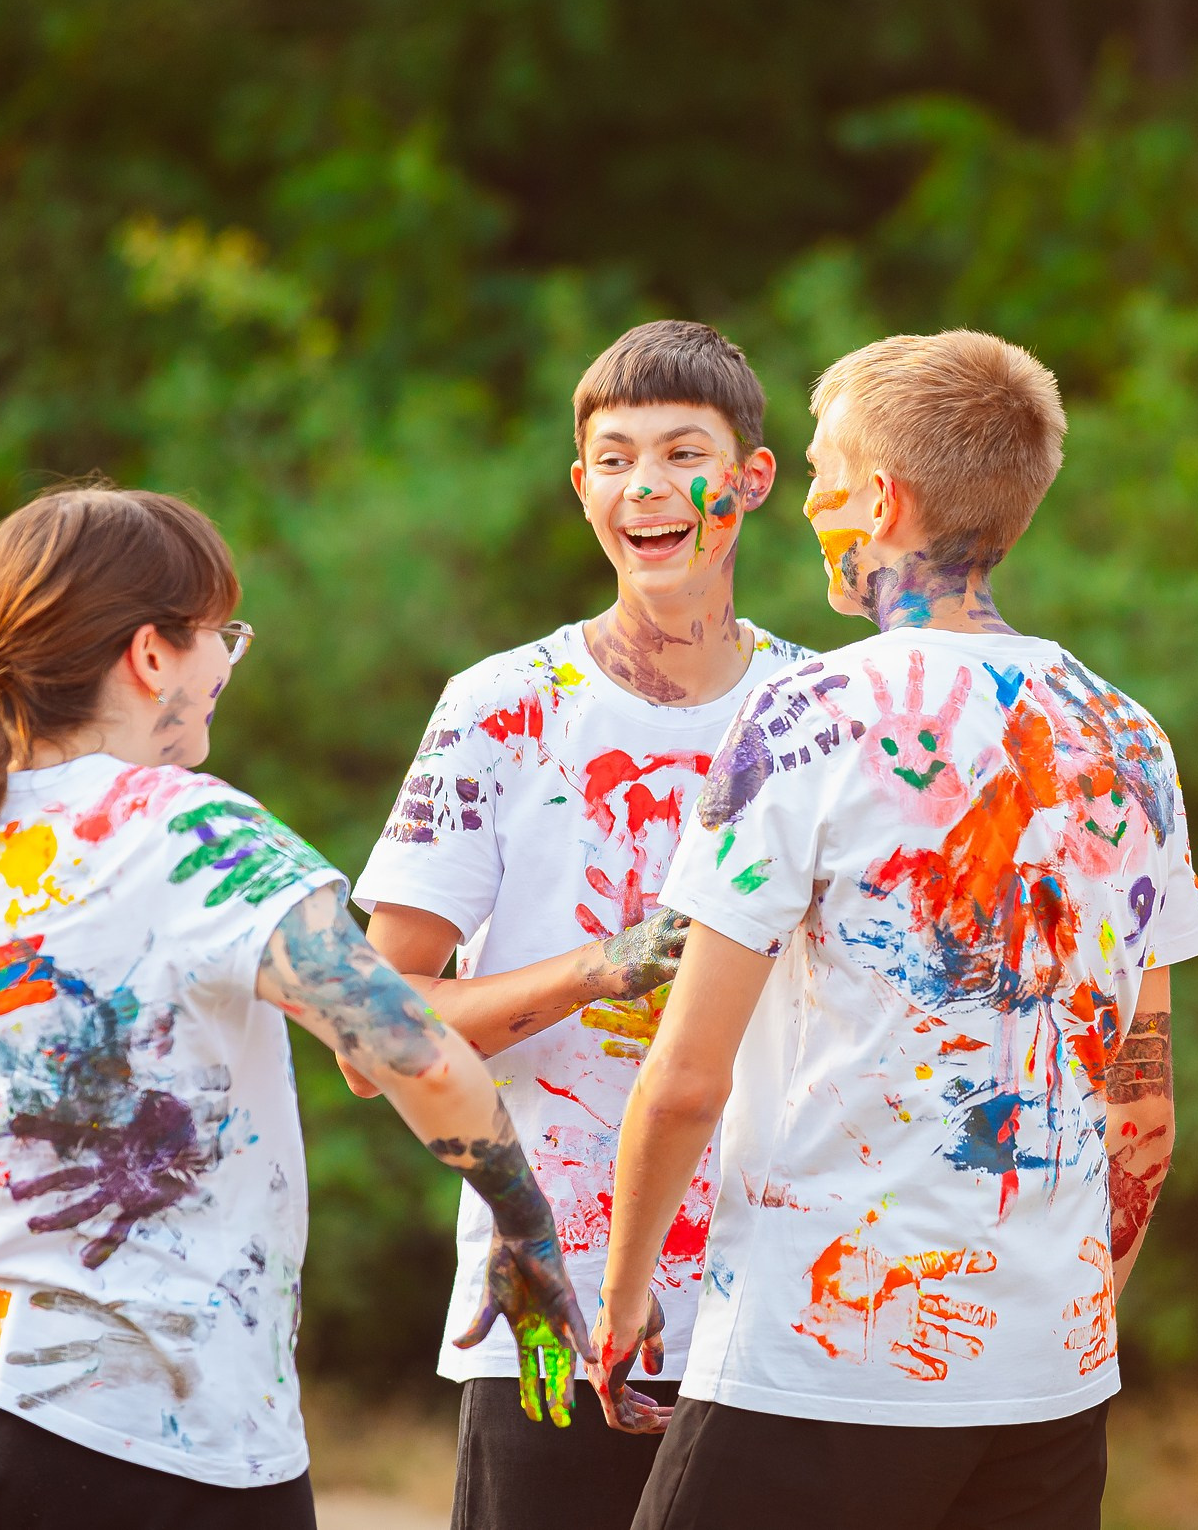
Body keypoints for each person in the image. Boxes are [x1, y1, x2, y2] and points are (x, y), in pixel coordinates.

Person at [0, 485, 590, 1530]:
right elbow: (414, 1050)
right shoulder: (192, 830)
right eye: (220, 637)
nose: (224, 669)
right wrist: (526, 1228)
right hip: (147, 1427)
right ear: (151, 655)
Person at [593, 330, 1198, 1530]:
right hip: (1049, 1377)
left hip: (816, 1362)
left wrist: (622, 1299)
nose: (810, 504)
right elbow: (1145, 1105)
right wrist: (1062, 1323)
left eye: (823, 477)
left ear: (879, 501)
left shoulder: (807, 713)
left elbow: (682, 1075)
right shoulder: (1129, 735)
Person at [350, 321, 812, 1530]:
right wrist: (596, 968)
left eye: (681, 452)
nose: (647, 487)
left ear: (753, 480)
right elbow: (368, 1030)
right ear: (581, 489)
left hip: (787, 1316)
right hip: (545, 1301)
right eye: (613, 459)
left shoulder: (831, 711)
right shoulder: (502, 708)